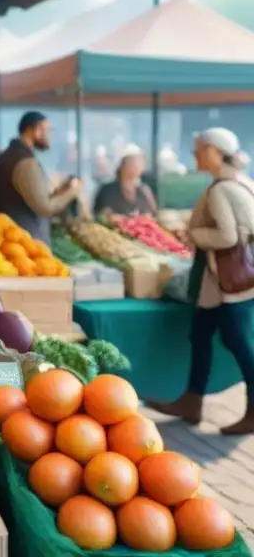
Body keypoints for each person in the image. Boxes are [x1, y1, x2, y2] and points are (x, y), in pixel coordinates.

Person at [147, 128, 254, 435]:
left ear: (213, 151)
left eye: (198, 150)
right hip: (223, 281)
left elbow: (229, 236)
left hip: (229, 282)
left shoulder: (222, 189)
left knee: (238, 341)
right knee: (201, 333)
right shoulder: (242, 181)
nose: (194, 155)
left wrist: (193, 235)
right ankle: (191, 402)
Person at [0, 111, 81, 244]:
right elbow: (44, 208)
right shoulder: (25, 162)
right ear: (36, 130)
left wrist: (59, 192)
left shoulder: (7, 156)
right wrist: (71, 192)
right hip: (26, 246)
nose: (50, 136)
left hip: (11, 241)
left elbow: (30, 199)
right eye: (47, 130)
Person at [92, 147, 157, 216]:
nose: (139, 166)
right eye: (134, 162)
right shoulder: (107, 191)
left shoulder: (145, 192)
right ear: (123, 165)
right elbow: (99, 215)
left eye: (140, 162)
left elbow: (153, 215)